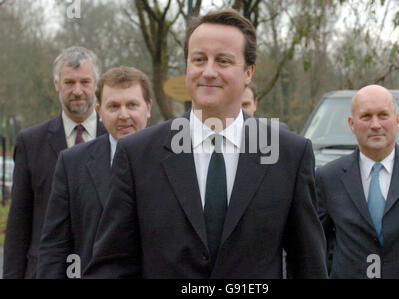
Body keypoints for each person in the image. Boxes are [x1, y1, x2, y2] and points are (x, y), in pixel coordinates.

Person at [84, 9, 327, 279]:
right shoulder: (138, 155)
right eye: (199, 59)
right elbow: (112, 264)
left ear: (248, 72)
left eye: (223, 61)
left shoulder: (289, 155)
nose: (208, 72)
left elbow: (308, 265)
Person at [316, 84, 399, 279]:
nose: (375, 124)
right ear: (352, 124)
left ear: (397, 121)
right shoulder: (327, 177)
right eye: (366, 116)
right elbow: (314, 246)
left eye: (383, 115)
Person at [37, 66, 152, 279]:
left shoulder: (174, 161)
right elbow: (54, 247)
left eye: (132, 105)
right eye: (114, 106)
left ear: (148, 108)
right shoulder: (71, 163)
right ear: (100, 112)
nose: (123, 115)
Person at [3, 46, 107, 279]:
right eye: (69, 82)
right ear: (56, 84)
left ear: (97, 85)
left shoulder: (116, 141)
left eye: (85, 82)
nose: (77, 91)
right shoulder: (30, 143)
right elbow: (19, 222)